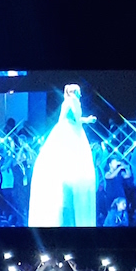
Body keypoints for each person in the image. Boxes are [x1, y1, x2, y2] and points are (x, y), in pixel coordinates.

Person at [28, 83, 97, 227]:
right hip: (70, 131)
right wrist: (85, 120)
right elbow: (73, 119)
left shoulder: (68, 102)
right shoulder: (72, 101)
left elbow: (69, 119)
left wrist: (86, 120)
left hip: (69, 130)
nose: (80, 94)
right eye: (78, 92)